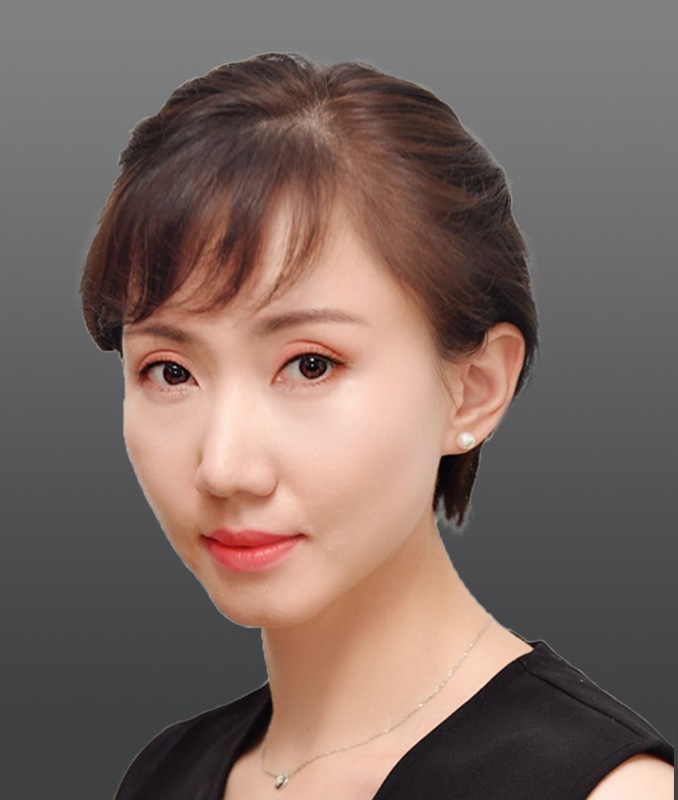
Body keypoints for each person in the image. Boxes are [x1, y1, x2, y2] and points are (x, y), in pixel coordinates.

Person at [79, 52, 673, 799]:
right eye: (171, 371)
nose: (224, 466)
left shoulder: (608, 791)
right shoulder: (163, 775)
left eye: (310, 365)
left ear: (475, 389)